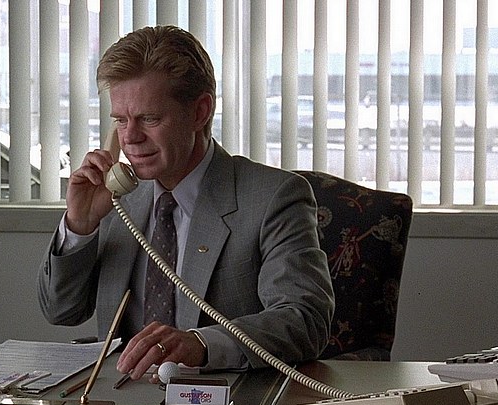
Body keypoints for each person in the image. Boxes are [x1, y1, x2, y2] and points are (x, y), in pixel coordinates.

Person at [37, 25, 334, 381]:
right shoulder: (116, 198)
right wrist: (79, 226)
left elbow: (305, 319)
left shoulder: (274, 197)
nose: (130, 138)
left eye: (149, 118)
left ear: (200, 112)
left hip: (222, 401)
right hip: (119, 399)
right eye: (120, 121)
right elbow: (61, 312)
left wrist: (201, 344)